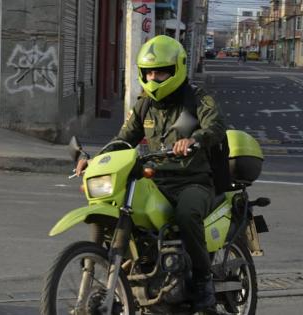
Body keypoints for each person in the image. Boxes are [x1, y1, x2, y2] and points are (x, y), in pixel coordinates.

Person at [76, 35, 226, 312]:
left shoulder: (197, 99)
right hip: (154, 179)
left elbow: (215, 127)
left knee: (186, 215)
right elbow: (123, 140)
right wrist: (95, 160)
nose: (155, 78)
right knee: (124, 213)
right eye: (149, 73)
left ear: (176, 69)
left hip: (192, 181)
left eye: (162, 72)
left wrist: (194, 140)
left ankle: (203, 280)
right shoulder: (144, 104)